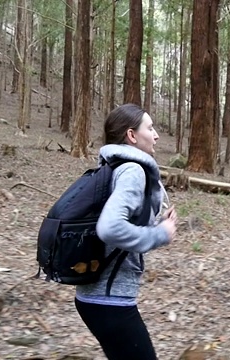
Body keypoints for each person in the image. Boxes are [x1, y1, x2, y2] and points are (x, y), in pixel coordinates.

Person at [75, 103, 177, 360]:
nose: (156, 135)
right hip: (110, 301)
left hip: (94, 297)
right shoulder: (132, 170)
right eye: (150, 128)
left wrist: (156, 224)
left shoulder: (112, 167)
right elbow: (109, 228)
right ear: (131, 135)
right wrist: (160, 234)